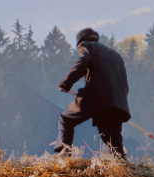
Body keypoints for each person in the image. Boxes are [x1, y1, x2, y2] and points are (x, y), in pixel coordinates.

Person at [54, 27, 131, 158]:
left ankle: (64, 156)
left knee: (65, 118)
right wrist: (116, 100)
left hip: (96, 98)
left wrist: (66, 83)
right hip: (117, 102)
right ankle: (123, 168)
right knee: (114, 142)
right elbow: (125, 82)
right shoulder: (115, 54)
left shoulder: (86, 46)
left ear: (80, 41)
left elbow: (83, 61)